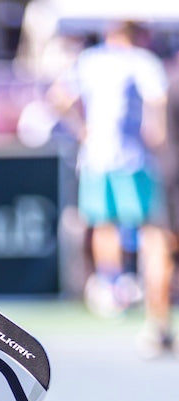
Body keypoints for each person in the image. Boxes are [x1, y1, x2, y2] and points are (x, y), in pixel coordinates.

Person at [47, 21, 174, 355]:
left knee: (106, 224)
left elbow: (58, 97)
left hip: (98, 159)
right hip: (135, 161)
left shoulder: (90, 61)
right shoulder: (143, 61)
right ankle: (152, 316)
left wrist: (82, 129)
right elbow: (157, 110)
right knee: (153, 232)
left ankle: (112, 284)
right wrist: (158, 143)